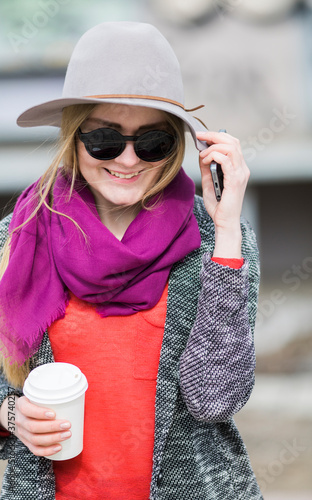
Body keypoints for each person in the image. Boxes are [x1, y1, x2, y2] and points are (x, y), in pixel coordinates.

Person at [0, 22, 262, 500]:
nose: (127, 160)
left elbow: (214, 400)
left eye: (152, 142)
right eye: (104, 140)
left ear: (175, 146)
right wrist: (11, 415)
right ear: (73, 137)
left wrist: (226, 231)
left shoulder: (218, 240)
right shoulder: (18, 239)